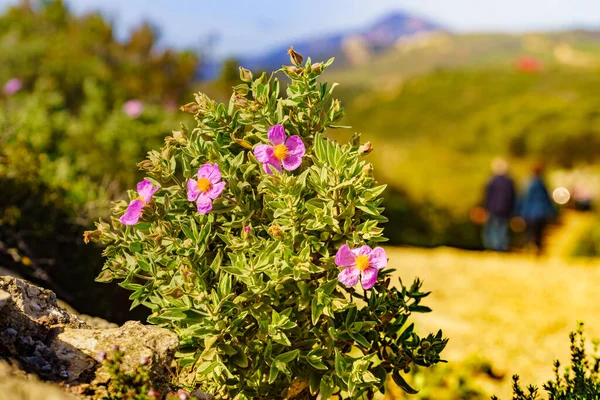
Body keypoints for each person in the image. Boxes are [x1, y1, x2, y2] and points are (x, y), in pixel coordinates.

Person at [519, 164, 556, 255]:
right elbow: (547, 200)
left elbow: (525, 199)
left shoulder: (529, 184)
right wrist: (552, 212)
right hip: (541, 213)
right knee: (539, 233)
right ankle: (537, 249)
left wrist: (521, 213)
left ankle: (530, 248)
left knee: (531, 232)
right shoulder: (542, 184)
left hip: (531, 213)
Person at [483, 158, 516, 251]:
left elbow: (487, 196)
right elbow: (512, 196)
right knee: (502, 227)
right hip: (505, 209)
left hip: (493, 208)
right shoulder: (509, 181)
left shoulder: (491, 180)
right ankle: (501, 246)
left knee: (493, 227)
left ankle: (493, 246)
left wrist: (485, 207)